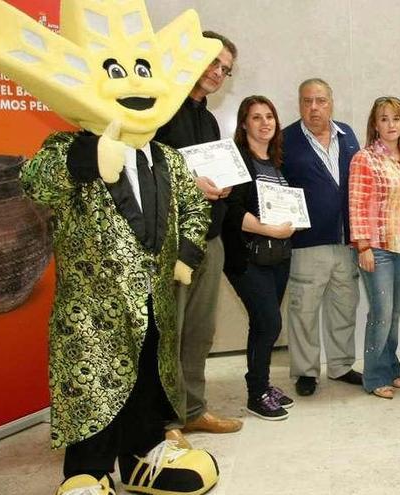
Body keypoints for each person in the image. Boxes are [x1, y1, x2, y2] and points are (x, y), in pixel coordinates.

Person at [0, 3, 223, 492]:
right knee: (93, 390)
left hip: (155, 303)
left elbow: (194, 208)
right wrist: (85, 157)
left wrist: (186, 255)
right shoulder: (67, 149)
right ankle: (86, 472)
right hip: (92, 311)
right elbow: (36, 186)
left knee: (150, 382)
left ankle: (142, 458)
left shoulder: (168, 158)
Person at [154, 30, 242, 447]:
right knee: (169, 330)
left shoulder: (207, 118)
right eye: (214, 62)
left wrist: (220, 187)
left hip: (209, 237)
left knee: (200, 331)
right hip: (171, 243)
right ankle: (163, 421)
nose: (218, 73)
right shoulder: (158, 109)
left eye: (226, 69)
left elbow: (208, 175)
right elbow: (144, 170)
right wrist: (190, 183)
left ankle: (192, 410)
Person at [281, 78, 362, 396]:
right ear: (299, 104)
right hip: (306, 242)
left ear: (331, 102)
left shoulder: (348, 134)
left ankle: (341, 366)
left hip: (345, 241)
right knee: (304, 310)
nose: (313, 107)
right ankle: (306, 371)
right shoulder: (285, 139)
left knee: (345, 306)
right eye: (306, 101)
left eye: (320, 101)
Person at [222, 96, 296, 420]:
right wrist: (269, 229)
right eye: (256, 117)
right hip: (247, 258)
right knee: (270, 322)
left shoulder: (277, 162)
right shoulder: (237, 162)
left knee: (262, 324)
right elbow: (231, 211)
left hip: (278, 257)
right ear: (243, 124)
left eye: (270, 116)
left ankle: (263, 384)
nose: (265, 122)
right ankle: (256, 394)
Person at [348, 96, 400, 399]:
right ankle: (375, 376)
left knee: (395, 313)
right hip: (376, 246)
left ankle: (390, 366)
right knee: (381, 313)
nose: (391, 125)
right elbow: (357, 205)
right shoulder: (364, 158)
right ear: (375, 125)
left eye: (396, 119)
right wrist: (363, 246)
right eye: (384, 119)